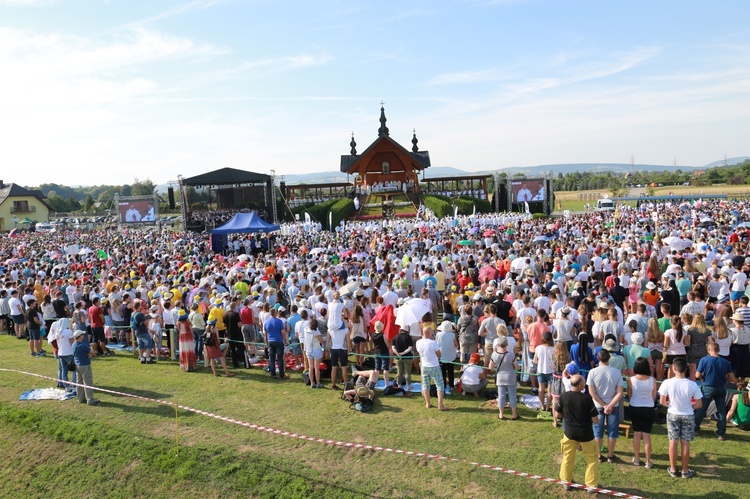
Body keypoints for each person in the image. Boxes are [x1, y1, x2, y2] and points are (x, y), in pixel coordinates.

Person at [658, 357, 703, 479]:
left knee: (673, 442)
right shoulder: (693, 384)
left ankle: (673, 469)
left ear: (674, 368)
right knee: (685, 443)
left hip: (673, 413)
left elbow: (662, 401)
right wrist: (690, 407)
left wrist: (671, 404)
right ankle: (684, 470)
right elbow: (699, 404)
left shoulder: (667, 382)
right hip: (688, 414)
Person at [556, 374, 600, 492]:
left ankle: (566, 482)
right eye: (584, 383)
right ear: (580, 386)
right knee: (592, 459)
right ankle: (591, 485)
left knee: (567, 457)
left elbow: (557, 414)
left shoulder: (563, 396)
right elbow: (595, 420)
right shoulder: (586, 399)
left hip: (569, 432)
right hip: (586, 434)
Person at [586, 349, 625, 463]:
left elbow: (592, 393)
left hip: (598, 405)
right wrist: (609, 405)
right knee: (612, 431)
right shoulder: (616, 372)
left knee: (598, 431)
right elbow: (619, 393)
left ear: (598, 358)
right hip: (613, 405)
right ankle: (610, 455)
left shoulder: (592, 372)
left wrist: (604, 405)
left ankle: (599, 455)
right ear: (609, 358)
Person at [694, 342, 736, 440]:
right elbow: (733, 379)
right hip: (721, 388)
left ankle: (695, 429)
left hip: (707, 387)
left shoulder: (704, 360)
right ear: (719, 350)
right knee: (721, 411)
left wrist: (703, 378)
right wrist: (725, 379)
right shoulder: (725, 362)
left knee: (701, 409)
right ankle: (721, 433)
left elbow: (697, 375)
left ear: (708, 350)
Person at [626, 357, 656, 468]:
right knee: (647, 435)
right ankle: (648, 461)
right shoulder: (652, 379)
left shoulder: (631, 380)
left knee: (637, 434)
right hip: (649, 407)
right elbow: (653, 396)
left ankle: (637, 459)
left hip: (635, 406)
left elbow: (629, 395)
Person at [416, 326, 447, 410]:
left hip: (424, 366)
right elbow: (439, 355)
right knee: (440, 385)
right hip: (434, 366)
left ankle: (428, 403)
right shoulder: (433, 343)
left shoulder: (418, 342)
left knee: (425, 385)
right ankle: (440, 405)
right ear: (429, 333)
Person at [490, 336, 519, 420]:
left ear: (498, 344)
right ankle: (514, 414)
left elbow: (490, 368)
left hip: (500, 377)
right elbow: (517, 367)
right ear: (506, 345)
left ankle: (501, 414)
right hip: (510, 377)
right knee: (512, 396)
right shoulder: (511, 354)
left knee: (501, 396)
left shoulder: (494, 354)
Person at [72, 329, 98, 405]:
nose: (83, 336)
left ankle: (80, 398)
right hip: (85, 365)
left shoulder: (74, 345)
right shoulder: (82, 345)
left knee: (79, 382)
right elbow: (93, 352)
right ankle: (90, 399)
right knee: (88, 382)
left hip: (77, 365)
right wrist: (91, 353)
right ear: (80, 336)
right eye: (82, 335)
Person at [533, 331, 555, 411]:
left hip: (541, 370)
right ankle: (548, 406)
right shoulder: (554, 349)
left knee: (541, 389)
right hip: (551, 371)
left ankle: (542, 405)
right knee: (550, 390)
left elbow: (535, 360)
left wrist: (541, 361)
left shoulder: (538, 348)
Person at [264, 308, 288, 380]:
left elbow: (265, 334)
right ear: (275, 313)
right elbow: (283, 333)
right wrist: (286, 341)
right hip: (279, 341)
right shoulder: (279, 321)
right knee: (280, 359)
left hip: (270, 341)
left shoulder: (266, 322)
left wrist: (266, 342)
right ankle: (281, 375)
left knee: (272, 359)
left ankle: (273, 374)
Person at [435, 321, 458, 394]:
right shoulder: (452, 335)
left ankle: (444, 384)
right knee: (451, 371)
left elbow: (435, 344)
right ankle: (451, 384)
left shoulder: (438, 334)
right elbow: (456, 345)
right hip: (451, 356)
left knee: (443, 372)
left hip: (441, 355)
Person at [729, 312, 750, 380]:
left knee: (736, 367)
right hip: (746, 348)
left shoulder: (732, 331)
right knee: (744, 367)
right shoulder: (747, 329)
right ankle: (742, 382)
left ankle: (736, 383)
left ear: (735, 321)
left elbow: (731, 341)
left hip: (736, 348)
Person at [371, 320, 392, 387]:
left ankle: (375, 382)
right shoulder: (383, 335)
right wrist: (390, 348)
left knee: (377, 368)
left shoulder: (372, 334)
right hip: (384, 353)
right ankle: (386, 383)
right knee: (385, 368)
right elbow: (387, 344)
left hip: (376, 352)